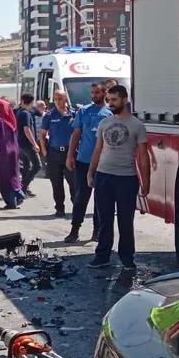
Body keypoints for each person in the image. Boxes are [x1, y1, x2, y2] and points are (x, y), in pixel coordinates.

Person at [87, 85, 150, 271]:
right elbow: (97, 150)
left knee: (125, 221)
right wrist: (91, 172)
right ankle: (102, 256)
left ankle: (127, 258)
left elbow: (144, 156)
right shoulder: (104, 123)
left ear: (124, 100)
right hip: (104, 176)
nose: (111, 103)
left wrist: (146, 181)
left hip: (127, 179)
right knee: (104, 219)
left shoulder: (137, 125)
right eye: (109, 100)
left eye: (114, 100)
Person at [65, 81, 113, 243]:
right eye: (92, 93)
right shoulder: (84, 112)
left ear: (105, 93)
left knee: (101, 199)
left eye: (97, 93)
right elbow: (76, 134)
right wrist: (70, 155)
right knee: (80, 197)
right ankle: (74, 229)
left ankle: (97, 231)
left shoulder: (110, 113)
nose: (94, 96)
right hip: (84, 161)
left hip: (103, 162)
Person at [40, 91, 76, 218]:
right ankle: (59, 208)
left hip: (70, 152)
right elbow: (42, 134)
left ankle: (76, 208)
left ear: (66, 98)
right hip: (54, 153)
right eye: (55, 99)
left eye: (60, 98)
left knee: (74, 182)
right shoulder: (49, 115)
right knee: (56, 183)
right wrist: (44, 151)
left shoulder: (74, 114)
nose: (58, 101)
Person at [15, 94, 40, 199]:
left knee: (26, 166)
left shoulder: (19, 112)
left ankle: (23, 188)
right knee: (37, 165)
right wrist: (34, 144)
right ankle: (23, 187)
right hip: (27, 144)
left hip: (20, 144)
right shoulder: (25, 114)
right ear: (32, 102)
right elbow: (27, 130)